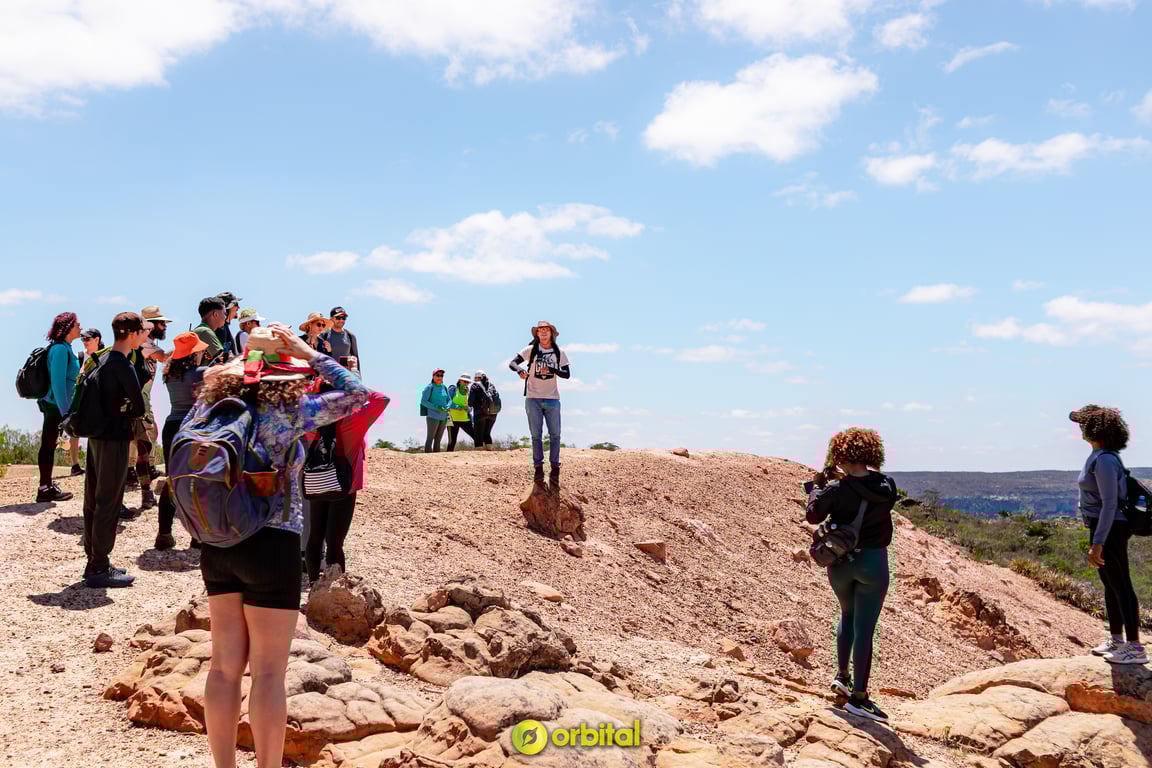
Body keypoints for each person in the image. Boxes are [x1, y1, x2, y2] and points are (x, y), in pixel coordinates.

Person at [188, 325, 366, 768]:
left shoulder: (207, 411)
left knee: (224, 667)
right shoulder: (288, 413)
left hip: (217, 542)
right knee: (268, 672)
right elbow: (357, 393)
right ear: (288, 375)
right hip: (272, 541)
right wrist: (311, 352)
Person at [805, 428, 900, 723]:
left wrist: (818, 487)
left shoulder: (835, 489)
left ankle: (842, 677)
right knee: (865, 628)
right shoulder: (887, 485)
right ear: (872, 453)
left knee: (846, 615)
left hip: (840, 562)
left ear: (840, 455)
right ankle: (859, 699)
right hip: (873, 562)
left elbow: (812, 516)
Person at [1071, 405, 1147, 665]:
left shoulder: (1104, 460)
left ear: (1093, 429)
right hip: (1104, 525)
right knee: (1110, 583)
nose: (1080, 429)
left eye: (1083, 424)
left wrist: (1098, 542)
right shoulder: (1100, 455)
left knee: (1121, 584)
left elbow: (1110, 504)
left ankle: (1135, 647)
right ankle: (1116, 639)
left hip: (1112, 527)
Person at [82, 312, 149, 588]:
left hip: (96, 438)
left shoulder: (102, 360)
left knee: (92, 501)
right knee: (109, 502)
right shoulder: (123, 365)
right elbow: (140, 406)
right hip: (116, 440)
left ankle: (95, 560)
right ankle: (99, 568)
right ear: (132, 334)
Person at [304, 381, 388, 582]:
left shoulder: (310, 420)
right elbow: (382, 399)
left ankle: (315, 587)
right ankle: (334, 592)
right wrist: (349, 382)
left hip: (317, 481)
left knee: (315, 537)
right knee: (335, 543)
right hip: (344, 485)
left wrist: (314, 388)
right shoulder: (353, 419)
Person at [154, 331, 209, 551]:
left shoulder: (169, 375)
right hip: (193, 428)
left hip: (172, 427)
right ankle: (197, 536)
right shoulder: (202, 373)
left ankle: (164, 533)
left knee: (171, 480)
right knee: (197, 481)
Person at [508, 321, 570, 484]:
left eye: (546, 330)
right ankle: (538, 469)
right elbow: (512, 363)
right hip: (533, 397)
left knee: (555, 435)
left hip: (552, 398)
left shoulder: (559, 352)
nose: (543, 332)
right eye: (540, 330)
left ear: (551, 333)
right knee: (536, 435)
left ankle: (555, 468)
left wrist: (552, 370)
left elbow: (567, 374)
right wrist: (520, 370)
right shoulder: (530, 350)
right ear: (537, 334)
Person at [128, 306, 172, 510]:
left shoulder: (144, 343)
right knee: (143, 444)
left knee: (146, 440)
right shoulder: (144, 344)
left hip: (140, 400)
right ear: (151, 325)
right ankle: (144, 490)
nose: (164, 327)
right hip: (138, 401)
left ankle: (140, 486)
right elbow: (166, 358)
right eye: (162, 323)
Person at [36, 312, 82, 502]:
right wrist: (65, 415)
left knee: (50, 444)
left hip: (57, 405)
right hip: (55, 406)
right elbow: (58, 383)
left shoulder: (65, 348)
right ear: (68, 327)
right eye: (77, 324)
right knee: (48, 443)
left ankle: (46, 485)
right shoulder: (60, 350)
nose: (80, 327)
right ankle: (44, 488)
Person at [420, 369, 450, 453]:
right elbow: (423, 401)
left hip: (443, 416)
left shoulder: (444, 387)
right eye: (438, 375)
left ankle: (437, 460)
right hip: (432, 416)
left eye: (441, 375)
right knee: (430, 439)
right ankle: (427, 459)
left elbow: (449, 400)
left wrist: (448, 406)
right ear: (433, 376)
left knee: (438, 440)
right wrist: (436, 407)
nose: (439, 377)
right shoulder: (429, 387)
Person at [193, 297, 228, 364]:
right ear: (215, 314)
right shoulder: (205, 332)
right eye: (224, 313)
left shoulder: (199, 330)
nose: (225, 317)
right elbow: (223, 359)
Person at [446, 374, 475, 452]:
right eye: (465, 381)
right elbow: (447, 402)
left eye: (468, 382)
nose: (466, 383)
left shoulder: (468, 392)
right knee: (452, 441)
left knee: (476, 436)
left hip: (465, 419)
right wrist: (459, 406)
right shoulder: (453, 389)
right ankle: (447, 459)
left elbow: (470, 406)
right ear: (459, 381)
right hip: (451, 419)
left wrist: (468, 408)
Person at [468, 371, 495, 451]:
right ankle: (489, 450)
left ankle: (479, 452)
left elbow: (470, 402)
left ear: (477, 378)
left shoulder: (475, 386)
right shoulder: (491, 386)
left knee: (478, 434)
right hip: (493, 413)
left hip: (480, 413)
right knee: (487, 433)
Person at [215, 292, 242, 357]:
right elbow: (223, 356)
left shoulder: (223, 327)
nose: (238, 307)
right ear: (228, 307)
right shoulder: (220, 328)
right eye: (236, 304)